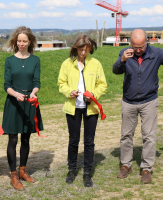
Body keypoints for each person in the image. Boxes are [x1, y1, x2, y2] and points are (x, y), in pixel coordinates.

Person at [113, 29, 163, 183]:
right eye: (135, 47)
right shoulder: (125, 53)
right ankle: (125, 165)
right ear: (130, 44)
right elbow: (115, 71)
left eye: (141, 47)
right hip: (129, 101)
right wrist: (121, 60)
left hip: (149, 101)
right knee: (126, 135)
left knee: (149, 135)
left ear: (146, 42)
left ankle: (146, 168)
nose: (138, 50)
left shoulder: (157, 53)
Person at [58, 35, 107, 187]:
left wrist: (94, 95)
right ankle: (71, 170)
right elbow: (61, 84)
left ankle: (87, 172)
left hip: (90, 108)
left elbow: (102, 85)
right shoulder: (67, 63)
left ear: (90, 49)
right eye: (80, 49)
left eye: (86, 50)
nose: (83, 53)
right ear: (75, 48)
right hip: (73, 108)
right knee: (73, 141)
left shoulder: (96, 64)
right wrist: (69, 92)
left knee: (89, 142)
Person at [2, 26, 43, 190]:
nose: (21, 43)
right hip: (13, 102)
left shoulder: (35, 60)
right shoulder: (9, 60)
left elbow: (37, 83)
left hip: (29, 102)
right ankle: (13, 175)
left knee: (26, 139)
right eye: (19, 41)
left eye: (24, 41)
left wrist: (33, 93)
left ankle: (23, 171)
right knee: (13, 139)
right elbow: (6, 85)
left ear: (30, 41)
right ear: (15, 41)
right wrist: (15, 94)